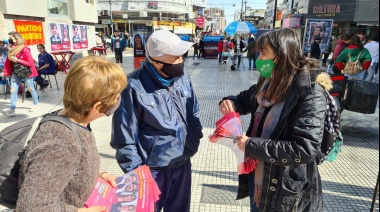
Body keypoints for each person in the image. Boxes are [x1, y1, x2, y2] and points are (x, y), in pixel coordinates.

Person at [219, 28, 327, 212]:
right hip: (259, 175)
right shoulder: (268, 82)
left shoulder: (309, 93)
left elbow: (305, 148)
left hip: (285, 190)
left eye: (264, 53)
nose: (259, 59)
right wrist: (231, 102)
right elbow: (246, 99)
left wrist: (253, 146)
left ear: (282, 56)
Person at [15, 56, 127, 211]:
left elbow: (68, 168)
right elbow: (31, 207)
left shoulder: (75, 121)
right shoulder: (61, 141)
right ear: (98, 107)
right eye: (116, 97)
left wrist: (99, 175)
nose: (118, 100)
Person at [111, 30, 203, 212]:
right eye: (175, 57)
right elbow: (124, 139)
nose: (181, 60)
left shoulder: (182, 78)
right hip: (153, 170)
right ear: (156, 62)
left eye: (181, 55)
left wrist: (196, 133)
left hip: (183, 162)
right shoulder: (132, 87)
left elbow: (194, 110)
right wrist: (139, 177)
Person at [1, 32, 40, 115]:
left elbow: (30, 63)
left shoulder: (25, 49)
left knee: (30, 89)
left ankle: (36, 104)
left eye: (11, 38)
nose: (9, 40)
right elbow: (8, 63)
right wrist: (5, 72)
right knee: (13, 90)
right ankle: (12, 109)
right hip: (16, 72)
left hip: (27, 72)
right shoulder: (10, 48)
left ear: (17, 39)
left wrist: (17, 60)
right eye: (9, 38)